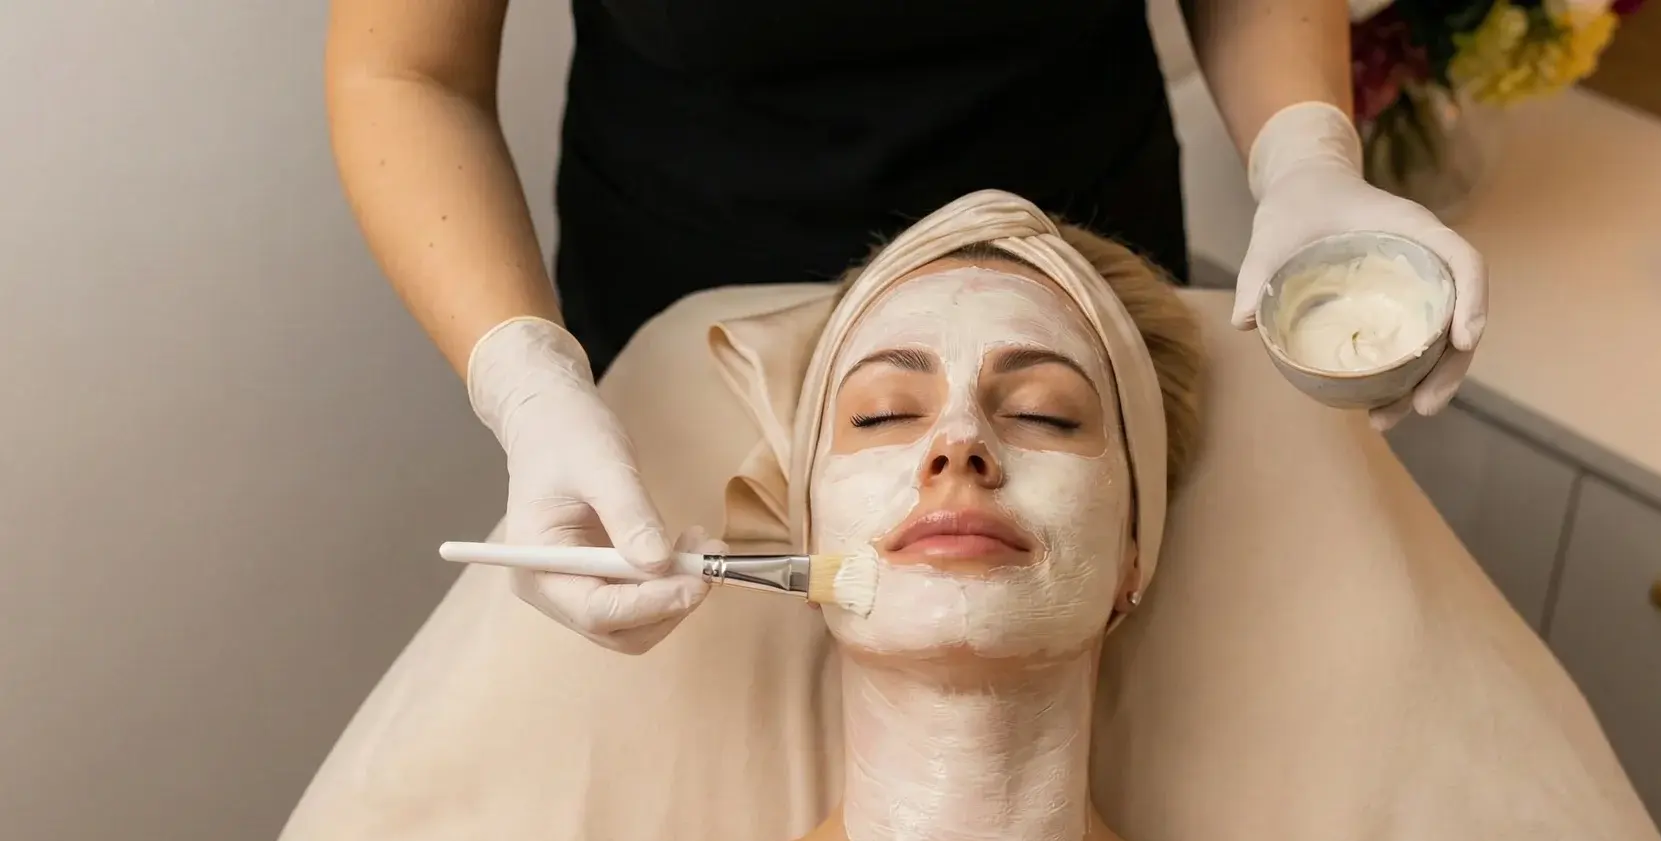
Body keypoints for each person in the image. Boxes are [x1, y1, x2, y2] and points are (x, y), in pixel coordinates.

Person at [406, 193, 1485, 841]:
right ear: (807, 529)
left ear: (1129, 556)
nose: (958, 443)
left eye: (1049, 414)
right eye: (882, 413)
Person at [324, 0, 1490, 657]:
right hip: (694, 305)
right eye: (889, 413)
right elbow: (403, 72)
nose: (956, 447)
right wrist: (523, 373)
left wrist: (1305, 154)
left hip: (1078, 257)